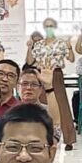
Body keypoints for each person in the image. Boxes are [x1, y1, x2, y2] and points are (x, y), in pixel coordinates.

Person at [31, 18, 76, 150]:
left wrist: (69, 47)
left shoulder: (61, 43)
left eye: (51, 25)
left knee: (62, 106)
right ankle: (43, 137)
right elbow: (30, 60)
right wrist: (29, 47)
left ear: (55, 27)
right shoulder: (39, 44)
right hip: (42, 74)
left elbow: (71, 59)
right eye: (46, 26)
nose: (49, 28)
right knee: (42, 105)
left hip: (55, 74)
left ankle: (68, 139)